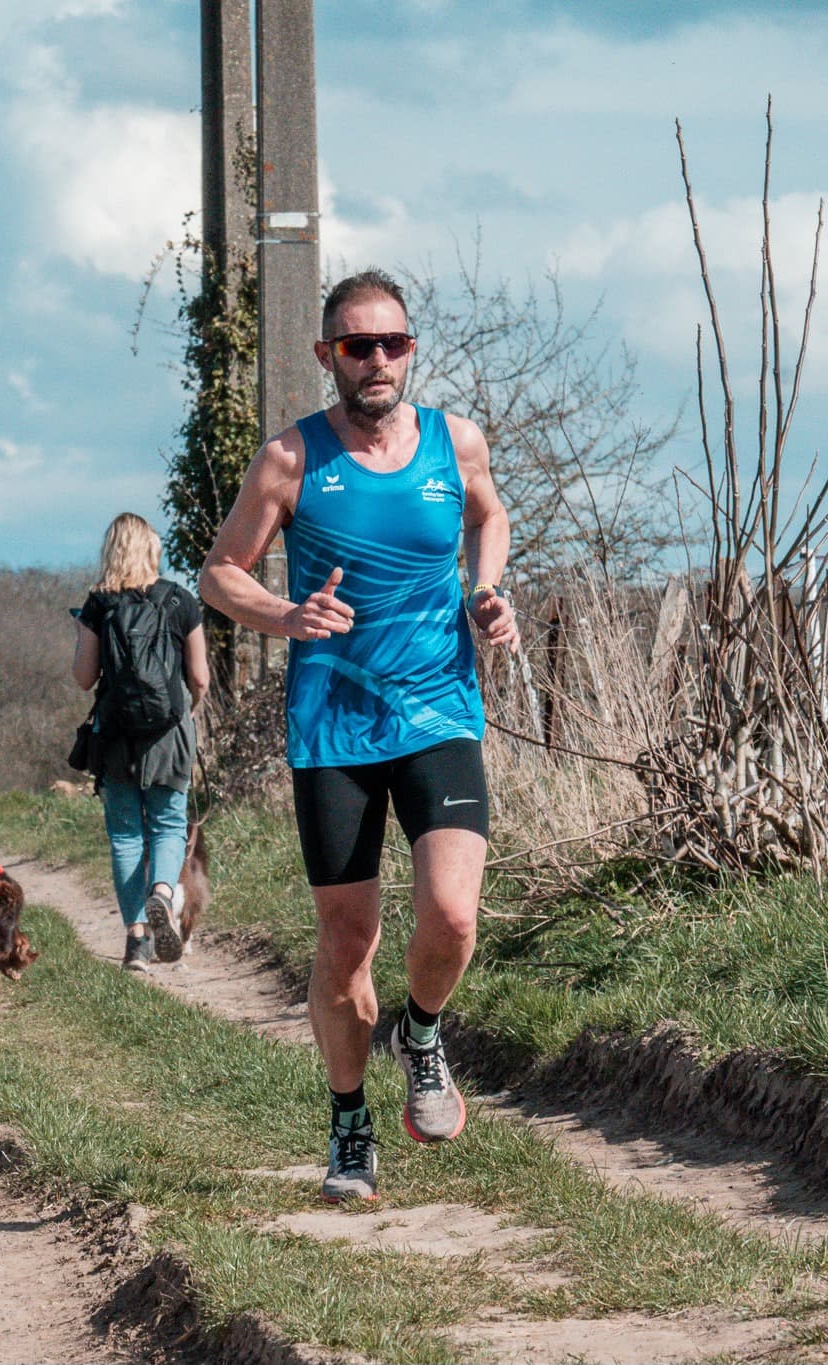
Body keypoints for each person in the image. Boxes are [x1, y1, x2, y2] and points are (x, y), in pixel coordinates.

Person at [200, 269, 518, 1202]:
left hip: (438, 712)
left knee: (453, 916)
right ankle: (348, 1121)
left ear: (411, 350)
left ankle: (421, 1032)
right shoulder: (290, 461)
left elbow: (488, 512)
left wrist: (487, 592)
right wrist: (286, 615)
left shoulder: (454, 441)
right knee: (346, 944)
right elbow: (221, 572)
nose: (377, 360)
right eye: (357, 345)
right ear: (327, 355)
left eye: (393, 344)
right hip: (333, 728)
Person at [73, 513, 209, 972]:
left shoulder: (98, 605)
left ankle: (136, 942)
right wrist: (190, 712)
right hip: (169, 732)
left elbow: (83, 677)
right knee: (168, 826)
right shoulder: (180, 600)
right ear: (152, 548)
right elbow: (200, 677)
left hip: (115, 736)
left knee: (126, 836)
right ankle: (163, 894)